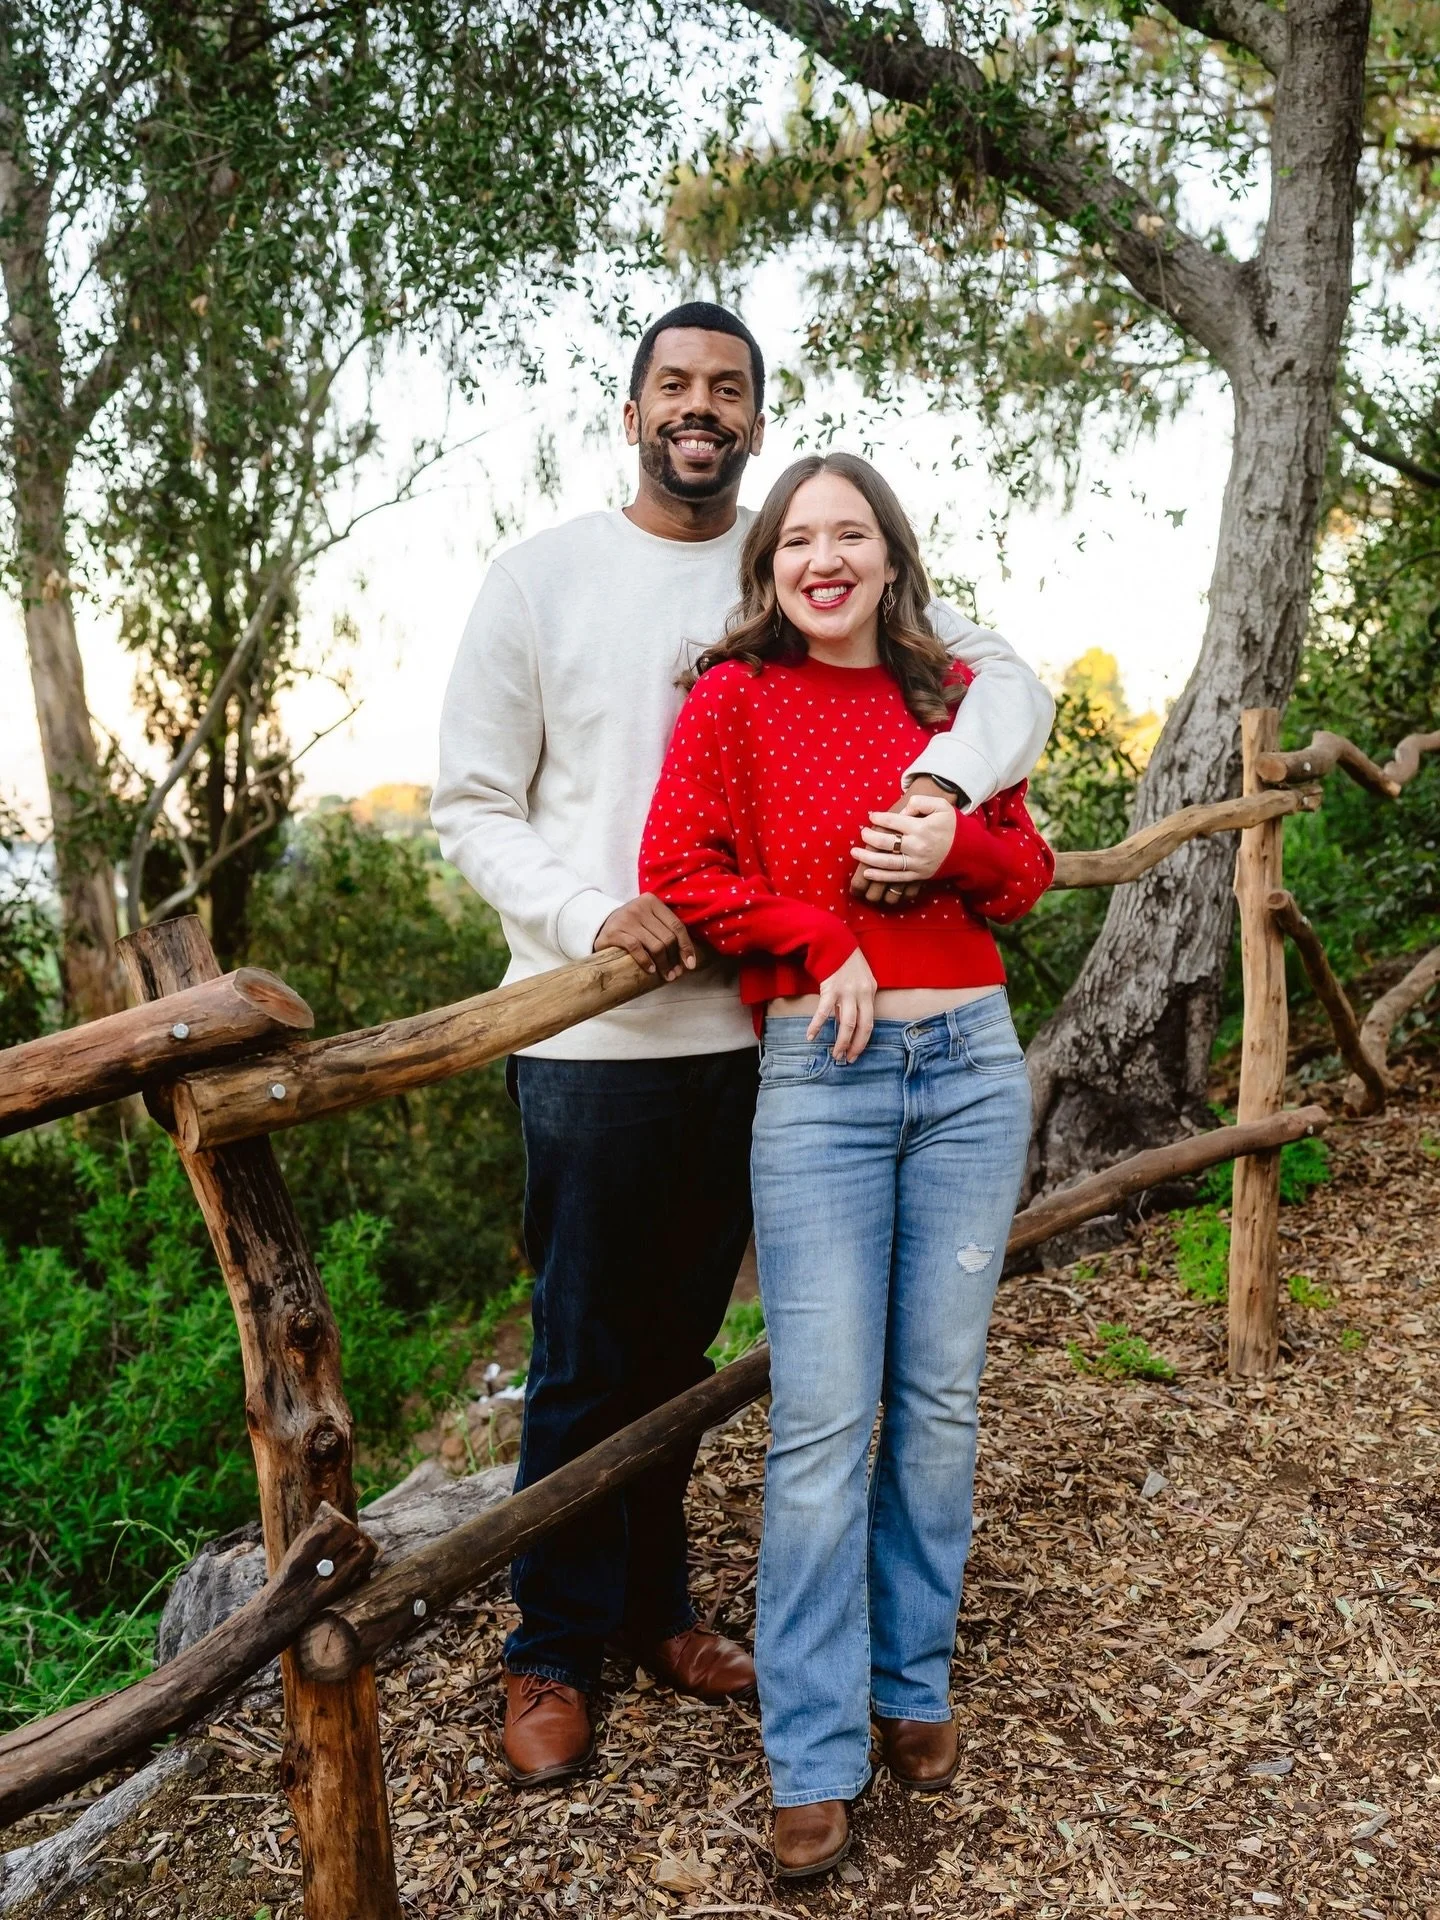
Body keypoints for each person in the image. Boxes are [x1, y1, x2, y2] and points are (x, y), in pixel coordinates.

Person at [432, 302, 1054, 1789]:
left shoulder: (808, 552)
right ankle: (552, 1649)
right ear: (633, 408)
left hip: (772, 1040)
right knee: (583, 1353)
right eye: (674, 385)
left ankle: (655, 1613)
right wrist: (592, 913)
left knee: (686, 1349)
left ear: (761, 423)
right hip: (602, 1039)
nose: (699, 407)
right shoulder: (542, 578)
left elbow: (1010, 684)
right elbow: (468, 801)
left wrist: (942, 801)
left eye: (728, 388)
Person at [640, 451, 1054, 1877]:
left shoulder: (948, 697)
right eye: (798, 539)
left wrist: (950, 843)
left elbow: (1026, 870)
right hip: (821, 1083)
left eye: (851, 535)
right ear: (769, 569)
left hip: (973, 1072)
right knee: (824, 1425)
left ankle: (912, 1684)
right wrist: (822, 940)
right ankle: (811, 1752)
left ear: (889, 556)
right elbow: (680, 867)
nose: (825, 558)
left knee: (936, 1403)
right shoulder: (735, 700)